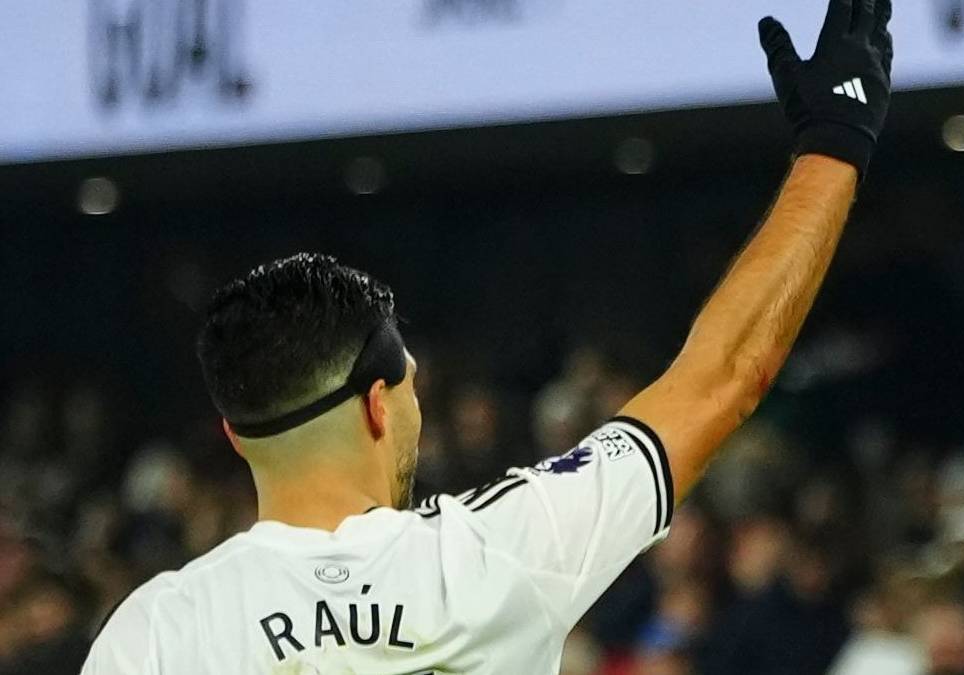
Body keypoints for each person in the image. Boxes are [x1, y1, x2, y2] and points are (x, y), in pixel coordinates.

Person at [81, 0, 893, 671]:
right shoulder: (493, 555)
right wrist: (833, 146)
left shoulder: (153, 633)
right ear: (376, 403)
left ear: (233, 434)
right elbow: (725, 372)